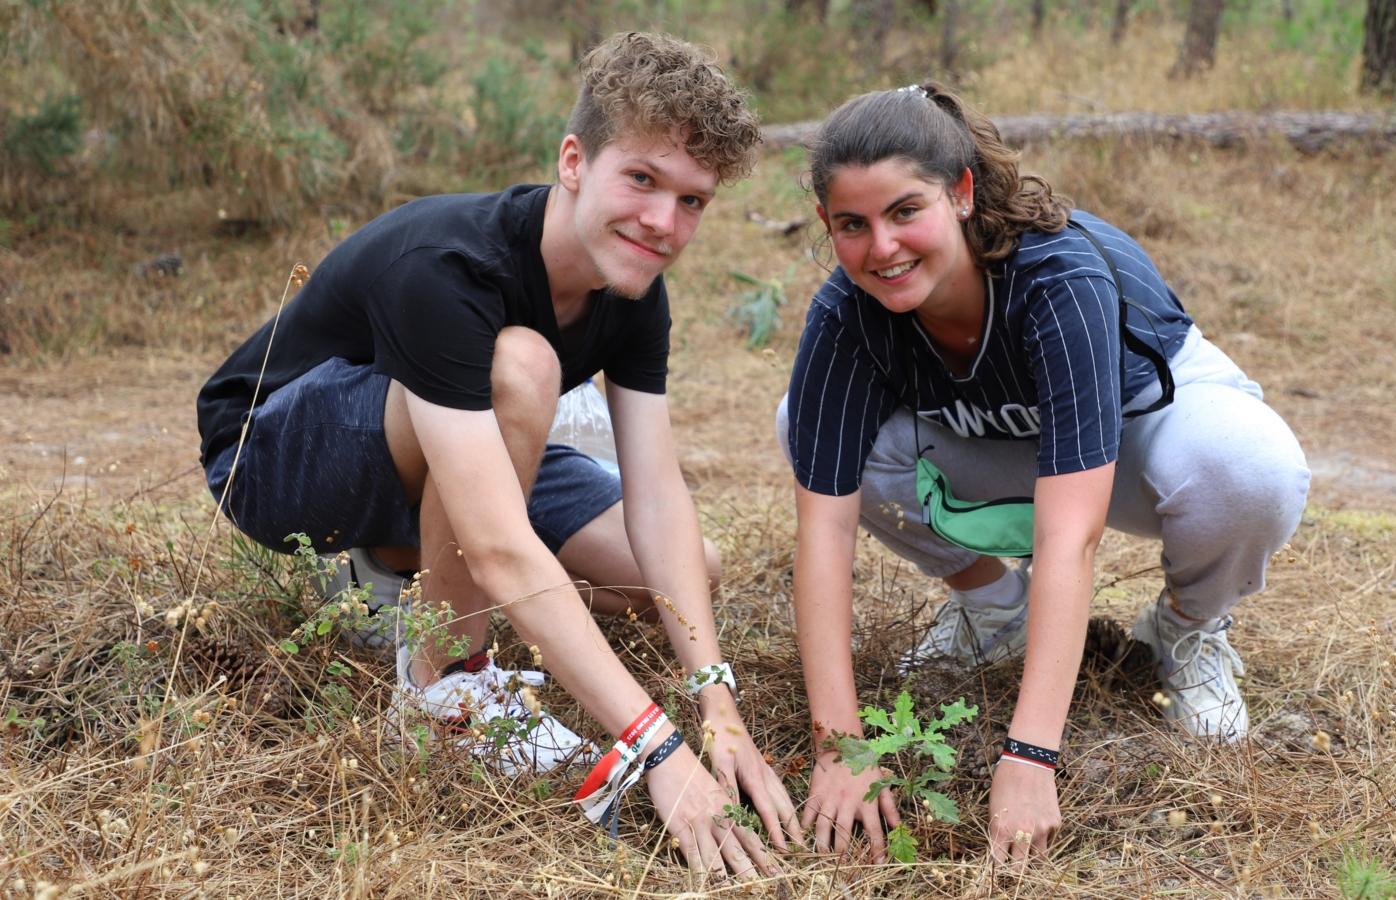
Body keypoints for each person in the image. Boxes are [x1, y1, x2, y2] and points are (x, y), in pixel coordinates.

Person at [197, 32, 799, 878]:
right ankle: (445, 685)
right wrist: (657, 748)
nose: (664, 223)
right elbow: (498, 544)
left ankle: (397, 562)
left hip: (449, 432)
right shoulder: (450, 263)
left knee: (674, 565)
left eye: (692, 201)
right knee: (523, 367)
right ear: (574, 161)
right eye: (642, 179)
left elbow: (657, 494)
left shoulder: (633, 291)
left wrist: (718, 706)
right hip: (273, 452)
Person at [777, 83, 1310, 866]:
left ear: (960, 193)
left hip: (1141, 427)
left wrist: (1030, 758)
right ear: (826, 224)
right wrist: (840, 748)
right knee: (806, 425)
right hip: (999, 433)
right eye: (853, 225)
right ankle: (996, 610)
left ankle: (1188, 630)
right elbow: (822, 529)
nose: (881, 247)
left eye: (904, 211)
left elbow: (1072, 537)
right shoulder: (845, 316)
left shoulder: (1057, 278)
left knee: (1249, 470)